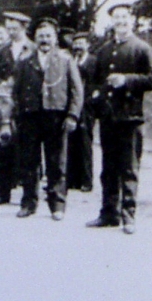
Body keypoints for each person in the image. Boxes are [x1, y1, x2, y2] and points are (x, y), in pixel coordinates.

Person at [85, 3, 152, 234]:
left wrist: (127, 80)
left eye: (124, 16)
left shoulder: (142, 49)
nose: (121, 21)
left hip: (130, 118)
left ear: (132, 19)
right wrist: (97, 97)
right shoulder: (104, 50)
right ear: (112, 22)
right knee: (108, 169)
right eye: (116, 17)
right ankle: (109, 214)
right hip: (109, 118)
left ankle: (129, 217)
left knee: (128, 170)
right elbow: (96, 81)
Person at [12, 17, 83, 220]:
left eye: (49, 36)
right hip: (30, 116)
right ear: (35, 38)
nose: (45, 40)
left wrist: (72, 115)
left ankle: (57, 205)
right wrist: (17, 115)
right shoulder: (25, 61)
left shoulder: (65, 59)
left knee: (57, 162)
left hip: (56, 116)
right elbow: (16, 91)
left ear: (55, 38)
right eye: (41, 36)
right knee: (29, 162)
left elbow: (76, 90)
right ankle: (28, 203)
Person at [0, 11, 35, 206]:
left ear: (24, 28)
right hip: (6, 106)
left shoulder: (33, 48)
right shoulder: (1, 51)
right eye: (9, 28)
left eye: (15, 28)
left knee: (28, 149)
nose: (11, 32)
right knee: (4, 147)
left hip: (27, 105)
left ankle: (28, 196)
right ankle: (3, 192)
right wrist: (4, 84)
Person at [66, 31, 97, 192]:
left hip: (87, 107)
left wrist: (93, 100)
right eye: (75, 43)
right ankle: (71, 179)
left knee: (85, 142)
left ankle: (86, 180)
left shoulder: (93, 62)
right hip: (72, 105)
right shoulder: (71, 61)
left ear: (88, 45)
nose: (78, 46)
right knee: (71, 141)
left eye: (81, 43)